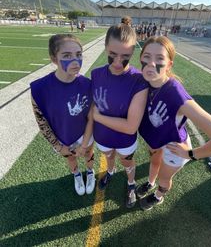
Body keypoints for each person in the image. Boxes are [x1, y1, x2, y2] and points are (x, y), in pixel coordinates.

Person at [137, 36, 211, 210]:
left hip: (174, 149)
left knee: (165, 178)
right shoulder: (145, 81)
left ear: (169, 65)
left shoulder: (176, 94)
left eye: (159, 58)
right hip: (156, 139)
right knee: (153, 164)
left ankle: (158, 195)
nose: (151, 63)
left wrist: (191, 154)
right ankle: (150, 182)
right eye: (147, 56)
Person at [30, 34, 96, 196]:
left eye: (78, 54)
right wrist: (58, 146)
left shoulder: (88, 85)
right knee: (70, 157)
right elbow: (42, 121)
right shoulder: (40, 89)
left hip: (85, 136)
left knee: (88, 153)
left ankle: (90, 171)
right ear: (53, 59)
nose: (75, 60)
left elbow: (91, 118)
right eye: (67, 56)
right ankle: (76, 174)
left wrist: (85, 143)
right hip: (62, 137)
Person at [92, 24, 148, 208]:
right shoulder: (96, 74)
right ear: (105, 47)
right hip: (102, 136)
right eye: (113, 54)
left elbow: (131, 126)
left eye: (125, 56)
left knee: (127, 161)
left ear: (133, 52)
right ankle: (110, 171)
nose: (117, 62)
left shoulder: (139, 80)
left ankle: (131, 183)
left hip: (125, 139)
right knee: (108, 156)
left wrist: (98, 117)